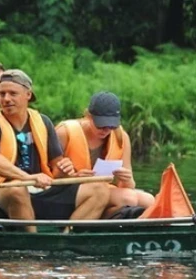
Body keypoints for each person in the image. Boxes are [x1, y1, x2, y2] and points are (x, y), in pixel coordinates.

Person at [0, 70, 110, 232]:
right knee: (17, 189)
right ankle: (33, 246)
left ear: (28, 94)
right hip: (0, 193)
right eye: (2, 93)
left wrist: (66, 171)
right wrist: (27, 177)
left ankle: (67, 238)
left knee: (100, 189)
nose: (6, 99)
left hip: (38, 189)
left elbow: (56, 167)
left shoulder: (43, 121)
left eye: (12, 93)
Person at [56, 91, 155, 219]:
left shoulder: (121, 137)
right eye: (101, 125)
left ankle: (116, 222)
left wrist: (127, 179)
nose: (106, 130)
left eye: (111, 126)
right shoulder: (64, 132)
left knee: (149, 200)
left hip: (103, 191)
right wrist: (74, 176)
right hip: (70, 192)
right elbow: (48, 177)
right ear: (88, 116)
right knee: (129, 198)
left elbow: (128, 186)